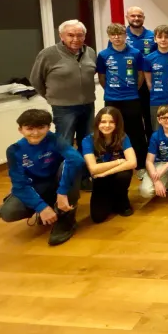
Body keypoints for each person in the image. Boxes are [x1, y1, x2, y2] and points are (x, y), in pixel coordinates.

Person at [0, 109, 83, 246]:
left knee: (72, 164)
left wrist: (62, 192)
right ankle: (47, 207)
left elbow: (77, 160)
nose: (35, 133)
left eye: (41, 128)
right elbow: (19, 184)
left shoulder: (55, 140)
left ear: (48, 127)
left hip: (58, 182)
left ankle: (66, 219)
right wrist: (41, 207)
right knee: (8, 212)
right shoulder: (14, 150)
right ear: (21, 130)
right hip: (37, 186)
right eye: (29, 129)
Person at [30, 19, 96, 191]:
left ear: (84, 36)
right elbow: (36, 80)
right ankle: (63, 181)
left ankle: (83, 177)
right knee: (64, 144)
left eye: (79, 35)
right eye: (71, 35)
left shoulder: (90, 52)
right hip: (63, 108)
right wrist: (53, 97)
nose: (76, 39)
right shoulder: (48, 54)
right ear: (61, 36)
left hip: (88, 104)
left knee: (86, 143)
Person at [97, 23, 147, 180]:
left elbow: (140, 76)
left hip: (132, 99)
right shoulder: (103, 55)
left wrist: (132, 90)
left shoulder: (136, 53)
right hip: (112, 100)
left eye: (119, 34)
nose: (117, 38)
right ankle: (115, 163)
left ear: (126, 36)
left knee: (136, 133)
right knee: (112, 132)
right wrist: (112, 92)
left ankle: (140, 166)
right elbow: (102, 78)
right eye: (113, 35)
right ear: (110, 37)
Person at [80, 107, 136, 223]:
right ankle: (109, 198)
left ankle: (121, 198)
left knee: (124, 175)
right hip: (101, 181)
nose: (107, 125)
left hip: (114, 175)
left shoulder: (123, 137)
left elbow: (132, 162)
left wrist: (105, 171)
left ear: (117, 124)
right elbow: (93, 168)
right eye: (103, 122)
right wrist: (119, 161)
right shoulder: (88, 140)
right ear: (97, 123)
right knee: (97, 218)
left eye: (111, 122)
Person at [123, 6, 156, 142]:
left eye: (139, 16)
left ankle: (151, 148)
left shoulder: (152, 36)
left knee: (149, 118)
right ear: (127, 17)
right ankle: (134, 150)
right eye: (133, 16)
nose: (136, 18)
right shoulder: (121, 36)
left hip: (148, 83)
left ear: (143, 18)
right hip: (128, 84)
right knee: (131, 119)